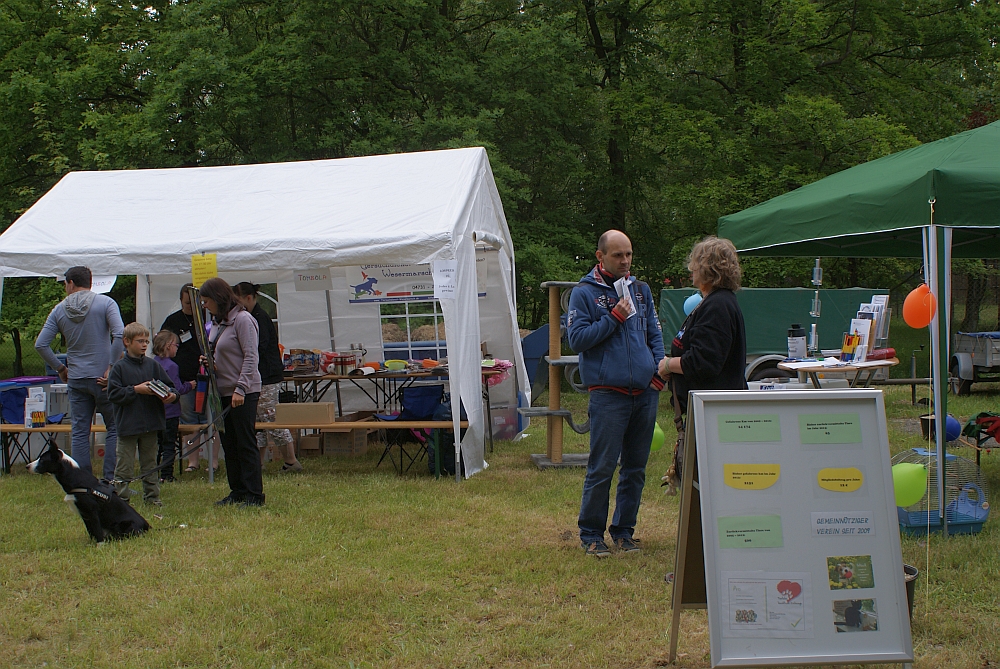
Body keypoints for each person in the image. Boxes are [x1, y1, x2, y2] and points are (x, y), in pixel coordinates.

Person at [567, 230, 665, 558]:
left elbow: (654, 334)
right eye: (618, 255)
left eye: (629, 254)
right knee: (602, 467)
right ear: (600, 256)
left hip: (645, 393)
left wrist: (658, 373)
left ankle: (624, 532)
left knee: (635, 468)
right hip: (608, 394)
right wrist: (614, 318)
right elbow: (577, 340)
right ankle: (591, 535)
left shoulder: (640, 290)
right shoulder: (584, 293)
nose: (625, 261)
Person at [658, 236, 747, 494]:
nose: (691, 268)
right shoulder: (713, 302)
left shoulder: (718, 306)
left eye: (696, 262)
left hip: (716, 416)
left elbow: (704, 362)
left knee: (711, 490)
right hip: (709, 413)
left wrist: (668, 364)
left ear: (709, 268)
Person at [35, 266, 125, 480]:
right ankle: (110, 479)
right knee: (113, 427)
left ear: (71, 283)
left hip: (76, 377)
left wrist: (60, 368)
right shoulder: (105, 303)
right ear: (90, 282)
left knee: (80, 431)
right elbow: (120, 334)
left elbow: (41, 344)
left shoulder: (59, 310)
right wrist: (112, 366)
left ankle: (83, 480)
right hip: (103, 379)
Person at [200, 278, 264, 507]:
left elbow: (251, 356)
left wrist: (241, 388)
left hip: (243, 391)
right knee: (229, 443)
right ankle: (237, 490)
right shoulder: (218, 323)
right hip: (222, 391)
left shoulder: (243, 320)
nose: (205, 306)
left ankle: (254, 494)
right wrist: (211, 362)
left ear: (218, 298)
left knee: (245, 442)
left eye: (207, 301)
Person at [232, 282, 302, 473]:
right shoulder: (250, 317)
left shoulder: (259, 318)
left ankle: (291, 461)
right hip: (257, 377)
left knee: (271, 419)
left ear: (248, 298)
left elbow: (258, 348)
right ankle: (257, 463)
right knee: (257, 422)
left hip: (267, 376)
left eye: (237, 301)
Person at [106, 323, 177, 507]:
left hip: (151, 425)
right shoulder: (119, 368)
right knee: (124, 466)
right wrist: (136, 390)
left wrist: (171, 396)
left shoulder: (153, 365)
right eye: (140, 341)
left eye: (146, 341)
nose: (144, 345)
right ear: (127, 342)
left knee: (150, 465)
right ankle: (121, 501)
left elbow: (171, 387)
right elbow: (113, 394)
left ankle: (152, 498)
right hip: (128, 426)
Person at [159, 283, 218, 472]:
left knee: (211, 419)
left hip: (209, 379)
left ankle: (213, 461)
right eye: (187, 303)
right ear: (180, 301)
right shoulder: (173, 321)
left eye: (195, 303)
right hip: (185, 380)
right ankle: (193, 461)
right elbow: (162, 346)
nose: (192, 307)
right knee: (189, 420)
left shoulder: (210, 318)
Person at [152, 330, 196, 481]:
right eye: (176, 345)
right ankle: (167, 474)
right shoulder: (172, 366)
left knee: (158, 444)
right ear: (168, 345)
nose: (177, 349)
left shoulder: (153, 363)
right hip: (170, 412)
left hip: (156, 412)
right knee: (169, 444)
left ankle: (154, 472)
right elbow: (176, 389)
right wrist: (190, 385)